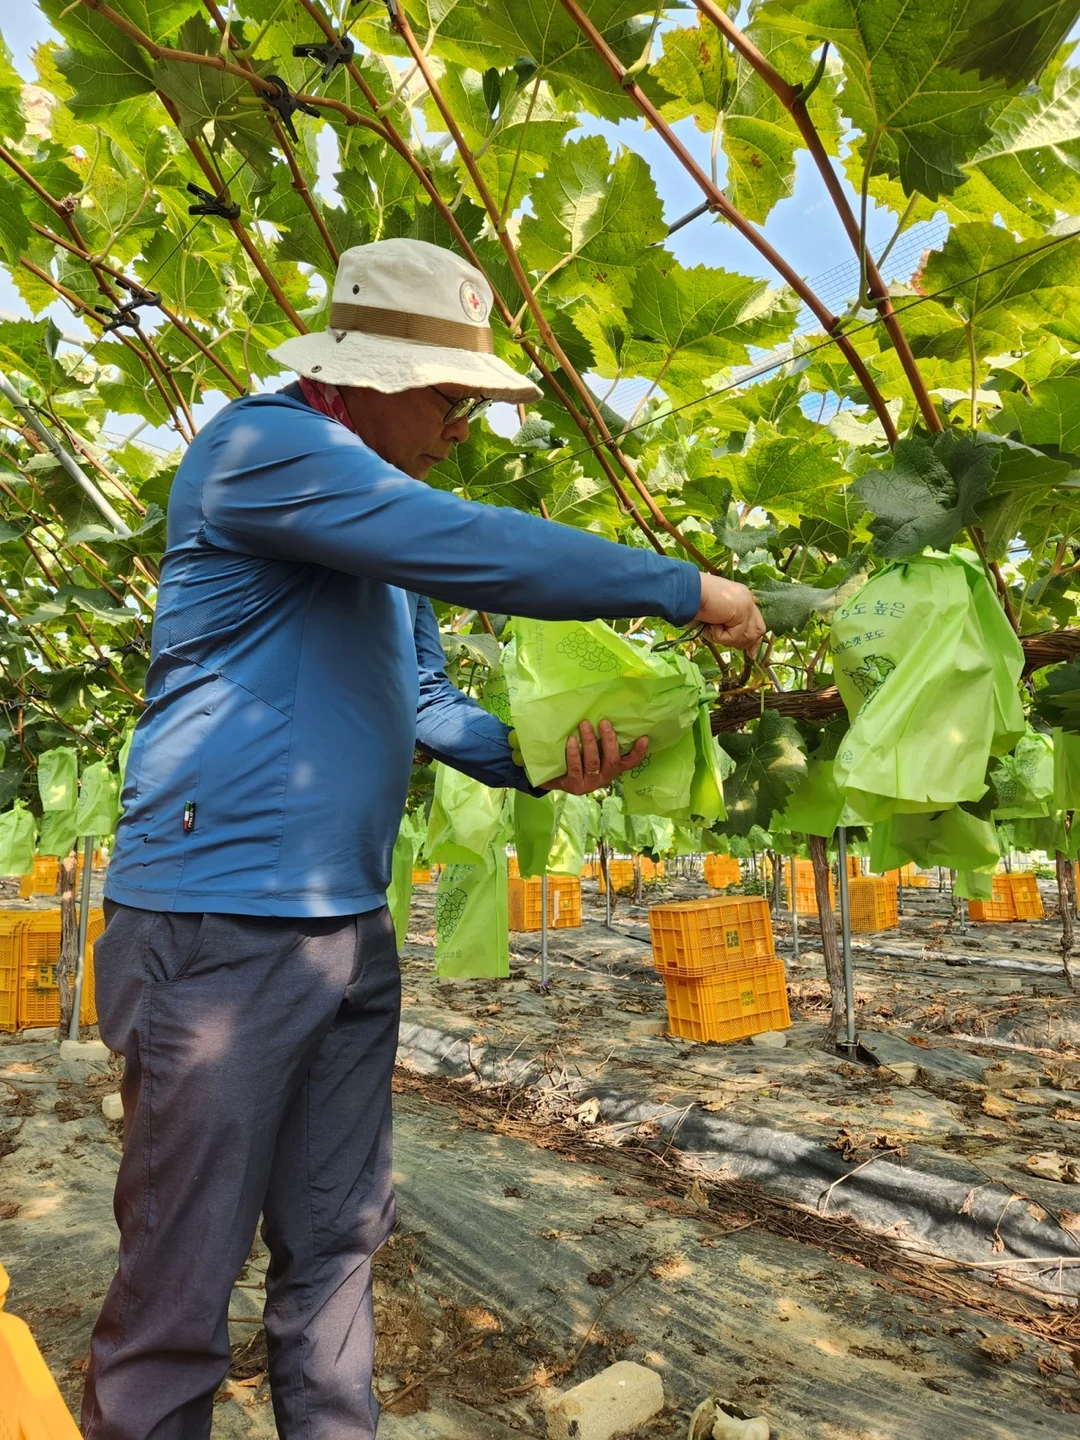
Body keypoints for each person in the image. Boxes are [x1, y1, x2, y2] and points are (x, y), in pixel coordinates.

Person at [83, 238, 764, 1439]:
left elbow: (431, 703)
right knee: (180, 1283)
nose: (462, 425)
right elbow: (480, 545)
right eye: (450, 398)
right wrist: (676, 585)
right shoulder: (265, 448)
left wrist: (546, 758)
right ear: (362, 377)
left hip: (344, 928)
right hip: (217, 924)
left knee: (341, 1244)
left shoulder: (377, 552)